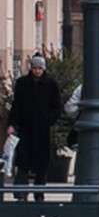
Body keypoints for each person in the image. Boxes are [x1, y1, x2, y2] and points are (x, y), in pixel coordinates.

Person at [5, 55, 62, 200]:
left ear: (43, 69)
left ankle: (39, 193)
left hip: (42, 130)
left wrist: (49, 119)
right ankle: (21, 193)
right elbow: (16, 105)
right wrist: (12, 124)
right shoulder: (23, 83)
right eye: (35, 68)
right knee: (23, 162)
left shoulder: (51, 84)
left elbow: (57, 107)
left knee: (42, 164)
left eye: (40, 68)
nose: (37, 71)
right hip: (26, 129)